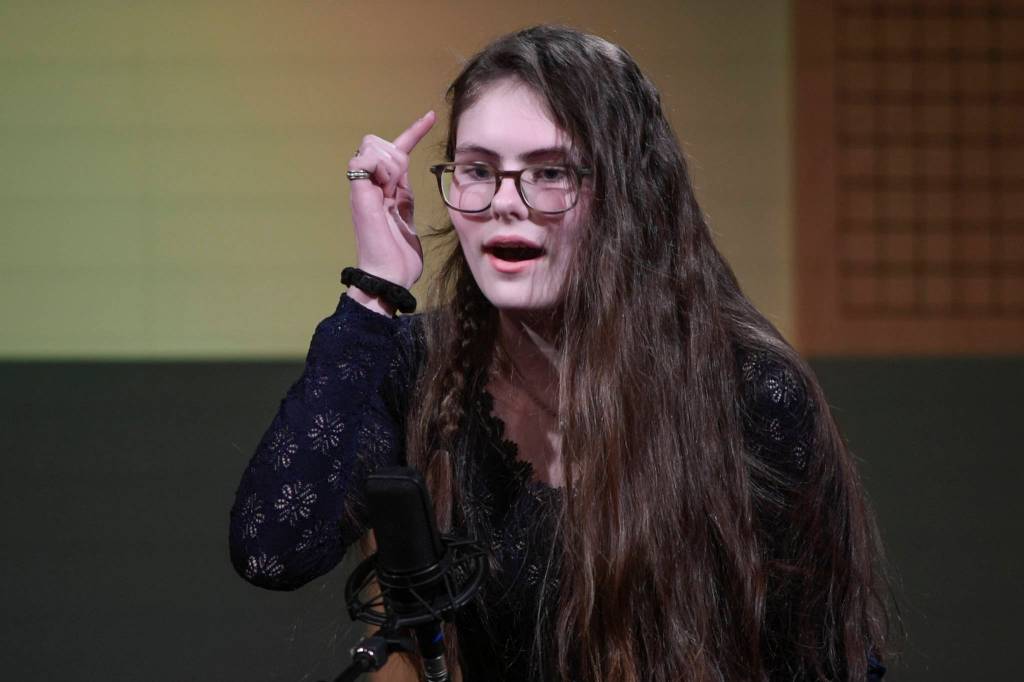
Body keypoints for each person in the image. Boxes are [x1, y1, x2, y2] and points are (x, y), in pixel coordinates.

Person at [230, 25, 891, 682]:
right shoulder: (415, 364)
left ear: (626, 193)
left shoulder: (744, 390)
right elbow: (272, 552)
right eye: (478, 170)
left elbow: (823, 657)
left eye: (549, 173)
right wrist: (373, 293)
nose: (505, 205)